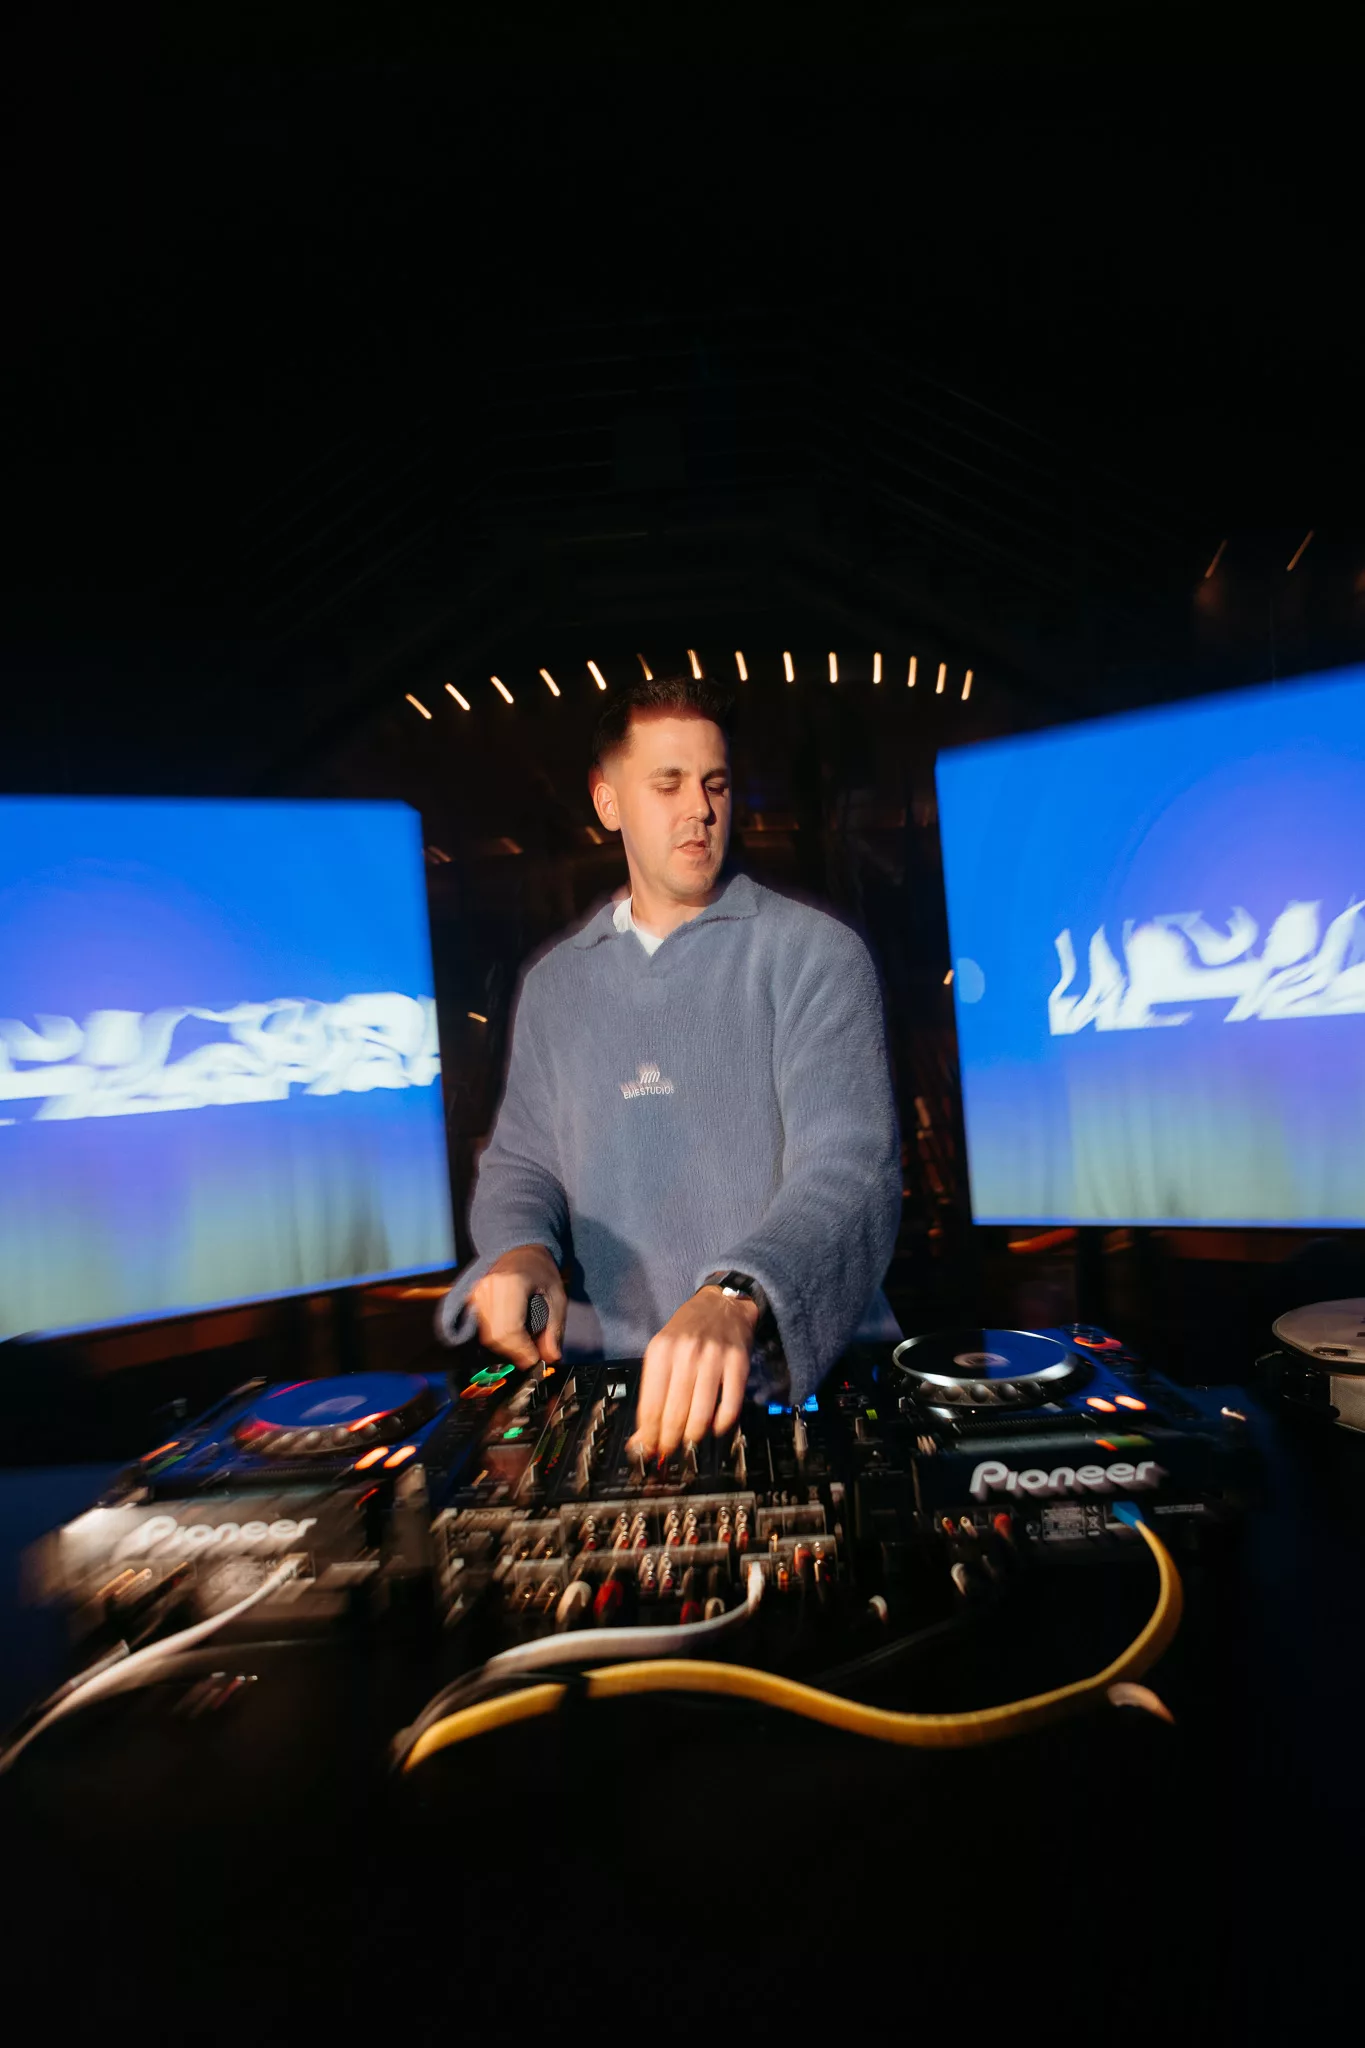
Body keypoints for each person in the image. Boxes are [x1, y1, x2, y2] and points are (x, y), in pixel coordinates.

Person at [439, 672, 902, 1456]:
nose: (701, 809)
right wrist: (521, 1247)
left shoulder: (813, 953)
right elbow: (523, 1162)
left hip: (801, 1395)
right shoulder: (556, 985)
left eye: (715, 784)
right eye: (668, 784)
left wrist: (737, 1292)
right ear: (607, 802)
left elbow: (849, 1169)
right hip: (620, 1396)